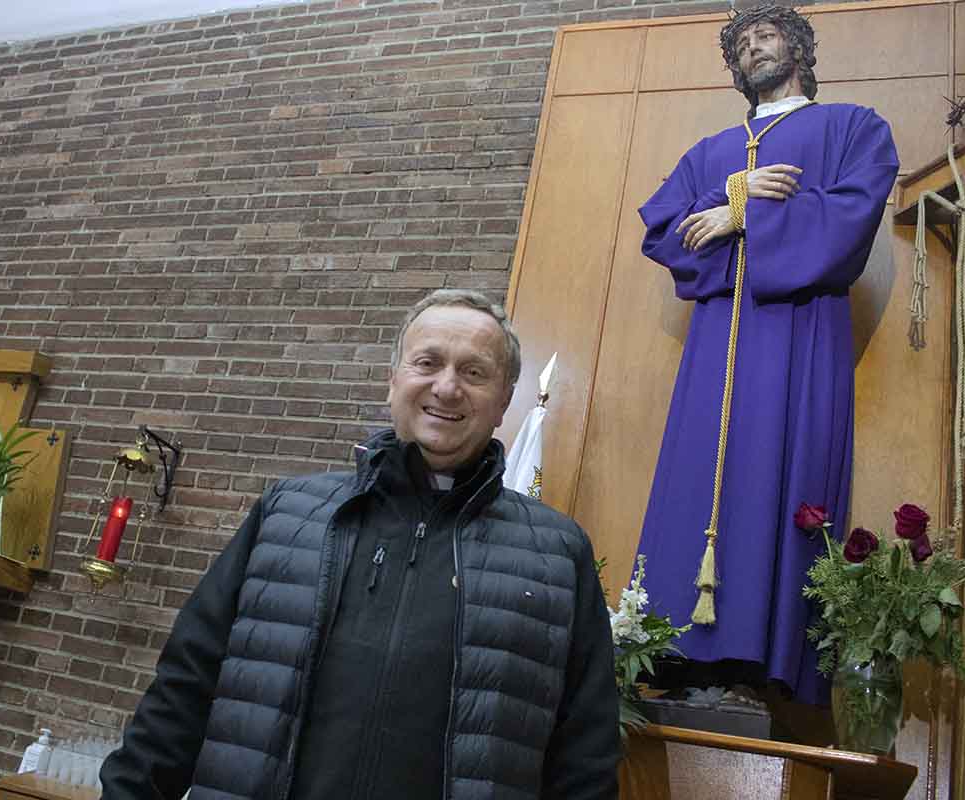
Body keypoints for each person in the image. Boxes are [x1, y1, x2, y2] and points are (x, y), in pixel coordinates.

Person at [100, 289, 619, 799]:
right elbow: (182, 695)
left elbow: (584, 759)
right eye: (427, 362)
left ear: (504, 400)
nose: (447, 387)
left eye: (474, 372)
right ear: (393, 380)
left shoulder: (556, 554)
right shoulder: (286, 515)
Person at [634, 3, 899, 704]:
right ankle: (670, 655)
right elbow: (664, 230)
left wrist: (746, 215)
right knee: (697, 476)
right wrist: (729, 198)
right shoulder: (709, 153)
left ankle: (759, 666)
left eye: (767, 36)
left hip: (797, 337)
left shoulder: (851, 128)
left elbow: (850, 215)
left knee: (782, 473)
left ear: (800, 49)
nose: (753, 49)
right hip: (719, 338)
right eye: (741, 44)